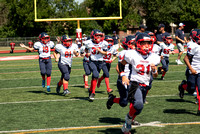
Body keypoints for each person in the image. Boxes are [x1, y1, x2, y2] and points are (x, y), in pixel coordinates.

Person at [117, 33, 160, 133]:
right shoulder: (132, 54)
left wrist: (154, 70)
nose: (146, 46)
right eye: (144, 43)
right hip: (135, 83)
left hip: (145, 84)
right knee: (139, 104)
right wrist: (123, 75)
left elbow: (155, 75)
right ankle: (128, 120)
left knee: (139, 109)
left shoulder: (154, 57)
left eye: (148, 43)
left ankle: (129, 119)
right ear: (138, 44)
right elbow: (121, 64)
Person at [178, 29, 200, 115]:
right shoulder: (193, 45)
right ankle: (183, 86)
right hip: (192, 70)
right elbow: (186, 58)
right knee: (191, 90)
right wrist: (191, 69)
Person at [85, 29, 108, 100]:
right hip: (92, 61)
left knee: (95, 77)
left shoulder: (104, 43)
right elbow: (86, 49)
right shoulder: (88, 42)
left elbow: (106, 53)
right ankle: (93, 93)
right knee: (95, 74)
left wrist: (100, 51)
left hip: (100, 61)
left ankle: (91, 90)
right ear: (93, 36)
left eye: (100, 36)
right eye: (97, 35)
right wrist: (87, 53)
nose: (98, 37)